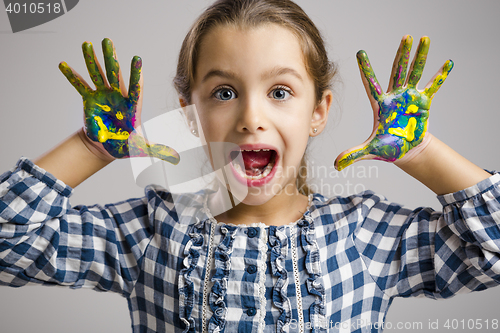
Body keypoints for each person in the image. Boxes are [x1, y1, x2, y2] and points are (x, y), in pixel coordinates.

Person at [1, 0, 499, 332]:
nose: (251, 118)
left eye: (280, 92)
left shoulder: (364, 235)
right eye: (224, 92)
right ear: (190, 115)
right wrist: (90, 148)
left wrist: (422, 153)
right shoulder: (153, 232)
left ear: (318, 112)